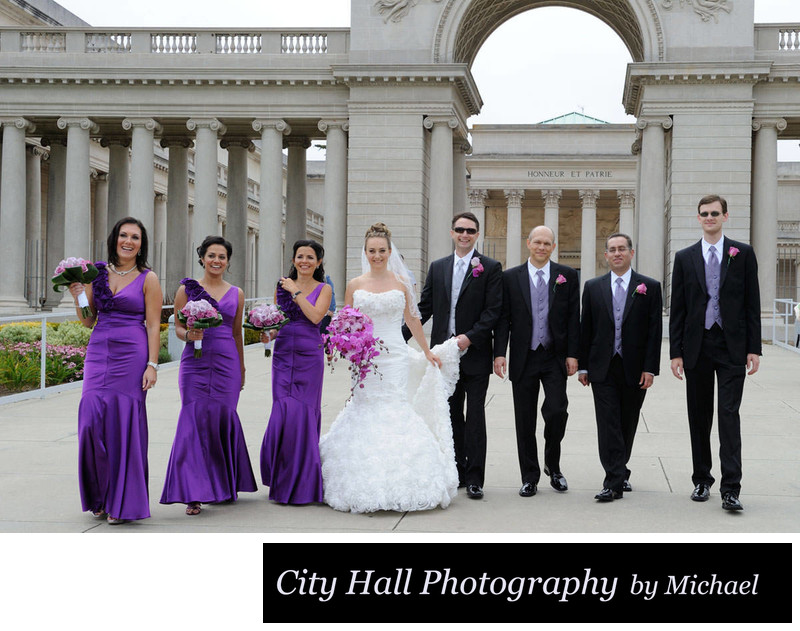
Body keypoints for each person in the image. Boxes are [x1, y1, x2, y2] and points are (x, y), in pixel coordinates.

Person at [319, 223, 461, 513]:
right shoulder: (355, 285)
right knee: (366, 406)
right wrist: (346, 346)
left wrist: (426, 351)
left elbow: (412, 319)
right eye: (372, 251)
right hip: (366, 357)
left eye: (382, 250)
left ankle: (405, 477)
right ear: (366, 252)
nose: (377, 255)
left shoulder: (400, 282)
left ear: (390, 251)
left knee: (395, 406)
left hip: (395, 355)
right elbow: (346, 320)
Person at [669, 195, 761, 511]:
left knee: (728, 415)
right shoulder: (684, 257)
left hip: (732, 345)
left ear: (725, 216)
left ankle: (731, 488)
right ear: (698, 218)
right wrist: (675, 352)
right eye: (704, 214)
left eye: (714, 213)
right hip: (696, 346)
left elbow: (752, 303)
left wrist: (754, 348)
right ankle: (701, 480)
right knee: (699, 417)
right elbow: (678, 308)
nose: (709, 218)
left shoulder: (743, 253)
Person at [70, 217, 162, 525]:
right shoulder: (98, 274)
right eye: (124, 235)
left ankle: (121, 503)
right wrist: (79, 295)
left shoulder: (148, 278)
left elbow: (152, 324)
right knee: (90, 421)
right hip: (99, 351)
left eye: (135, 237)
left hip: (132, 354)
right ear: (115, 239)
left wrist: (152, 364)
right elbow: (87, 320)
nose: (128, 241)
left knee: (123, 425)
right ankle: (99, 495)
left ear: (141, 244)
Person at [405, 211, 502, 499]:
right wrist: (397, 339)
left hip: (474, 355)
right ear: (452, 233)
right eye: (460, 229)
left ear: (477, 234)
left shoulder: (490, 267)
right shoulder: (438, 267)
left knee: (474, 417)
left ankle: (475, 478)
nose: (465, 234)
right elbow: (424, 309)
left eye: (470, 231)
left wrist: (469, 338)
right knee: (451, 415)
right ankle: (457, 470)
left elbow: (493, 311)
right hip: (442, 358)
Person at [160, 235, 257, 515]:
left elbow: (237, 332)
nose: (216, 261)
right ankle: (193, 492)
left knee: (221, 419)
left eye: (222, 257)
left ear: (228, 261)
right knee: (193, 421)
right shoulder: (187, 289)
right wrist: (189, 334)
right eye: (211, 255)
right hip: (194, 364)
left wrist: (241, 368)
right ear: (202, 257)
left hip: (226, 362)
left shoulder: (236, 293)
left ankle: (223, 484)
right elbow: (177, 327)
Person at [493, 226, 579, 497]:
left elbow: (573, 319)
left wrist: (573, 354)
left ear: (553, 246)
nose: (542, 247)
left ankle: (553, 466)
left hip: (554, 356)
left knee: (557, 410)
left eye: (547, 243)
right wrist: (499, 353)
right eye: (537, 242)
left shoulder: (567, 276)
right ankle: (529, 476)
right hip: (523, 357)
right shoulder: (510, 278)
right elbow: (503, 320)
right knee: (525, 419)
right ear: (528, 243)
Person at [578, 233, 662, 502]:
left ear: (631, 253)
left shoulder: (649, 286)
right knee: (608, 423)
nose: (617, 253)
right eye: (612, 250)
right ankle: (612, 480)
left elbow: (654, 331)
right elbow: (586, 329)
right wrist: (583, 366)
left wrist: (650, 368)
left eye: (621, 249)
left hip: (634, 368)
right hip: (602, 367)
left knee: (628, 422)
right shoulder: (592, 287)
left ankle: (620, 469)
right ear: (606, 255)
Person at [260, 239, 332, 504]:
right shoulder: (281, 287)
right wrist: (268, 333)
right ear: (293, 260)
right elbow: (279, 320)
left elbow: (315, 317)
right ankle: (281, 478)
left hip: (309, 355)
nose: (304, 261)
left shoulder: (324, 288)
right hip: (282, 353)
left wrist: (296, 292)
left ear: (318, 262)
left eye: (310, 257)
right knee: (283, 414)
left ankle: (303, 484)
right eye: (300, 256)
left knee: (302, 414)